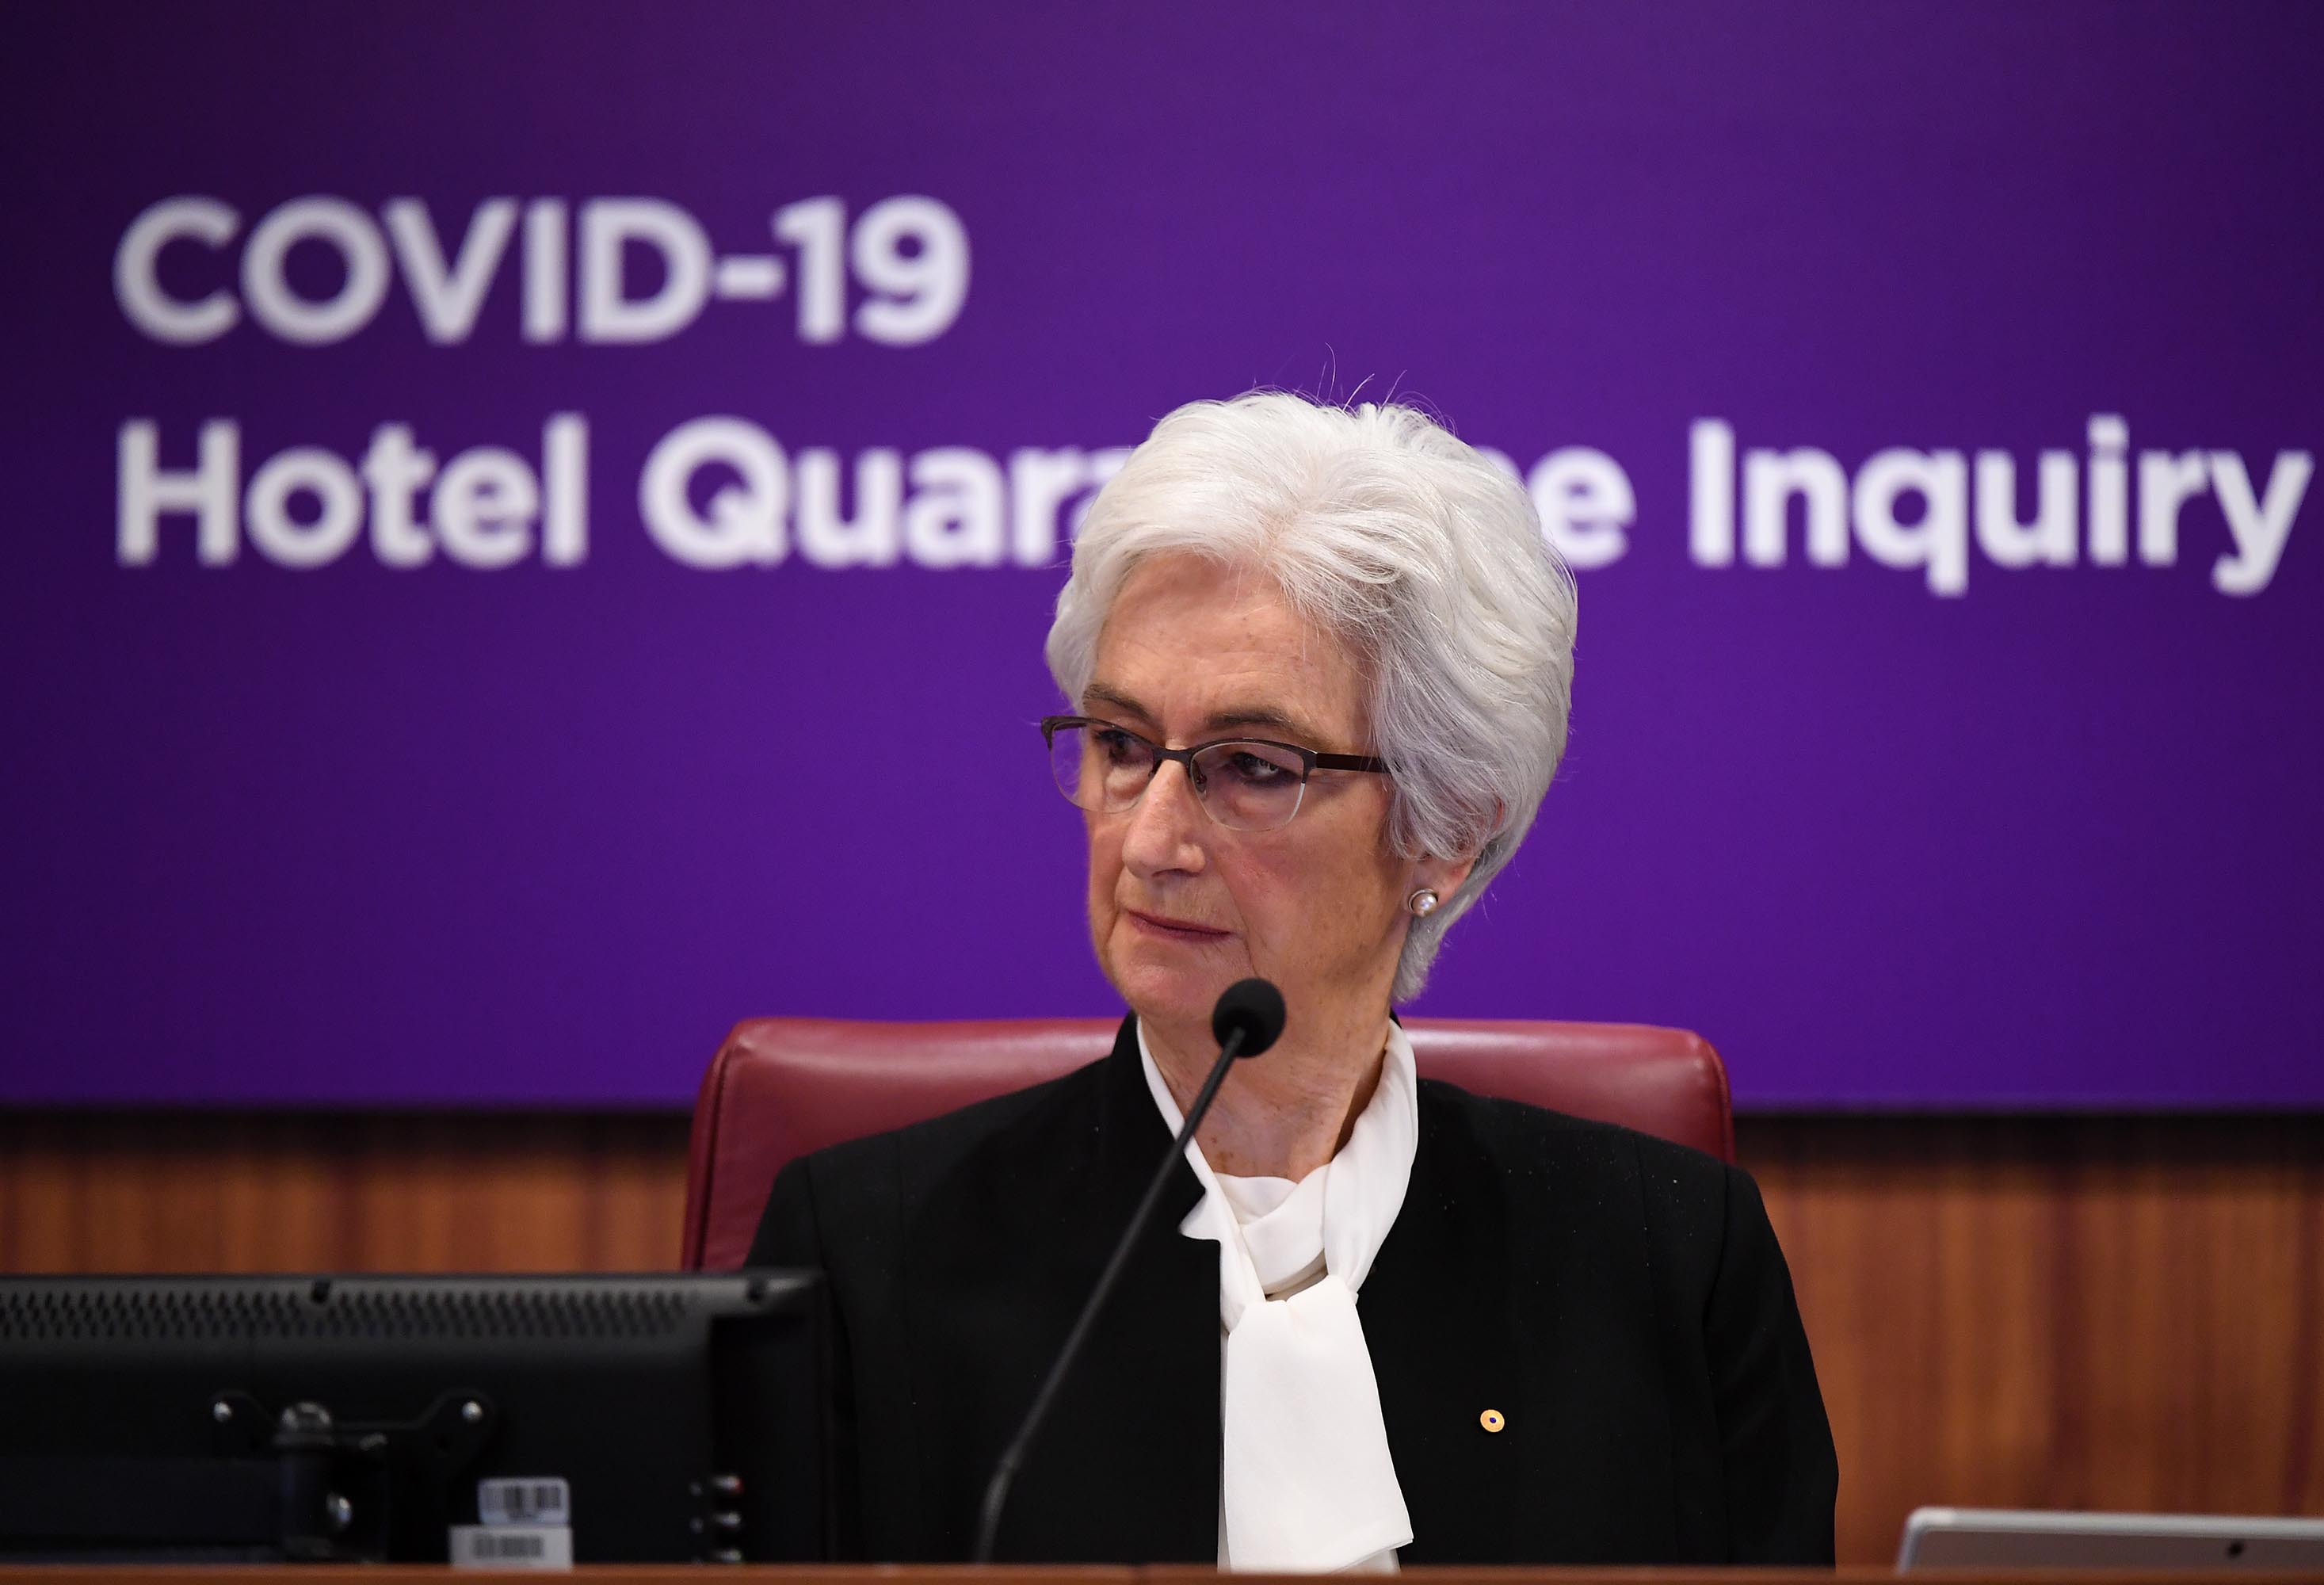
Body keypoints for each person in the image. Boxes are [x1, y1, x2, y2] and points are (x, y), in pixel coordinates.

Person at [746, 391, 1836, 1568]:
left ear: (1444, 827)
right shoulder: (868, 1257)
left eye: (1249, 767)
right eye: (1120, 745)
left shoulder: (1669, 1259)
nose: (1152, 840)